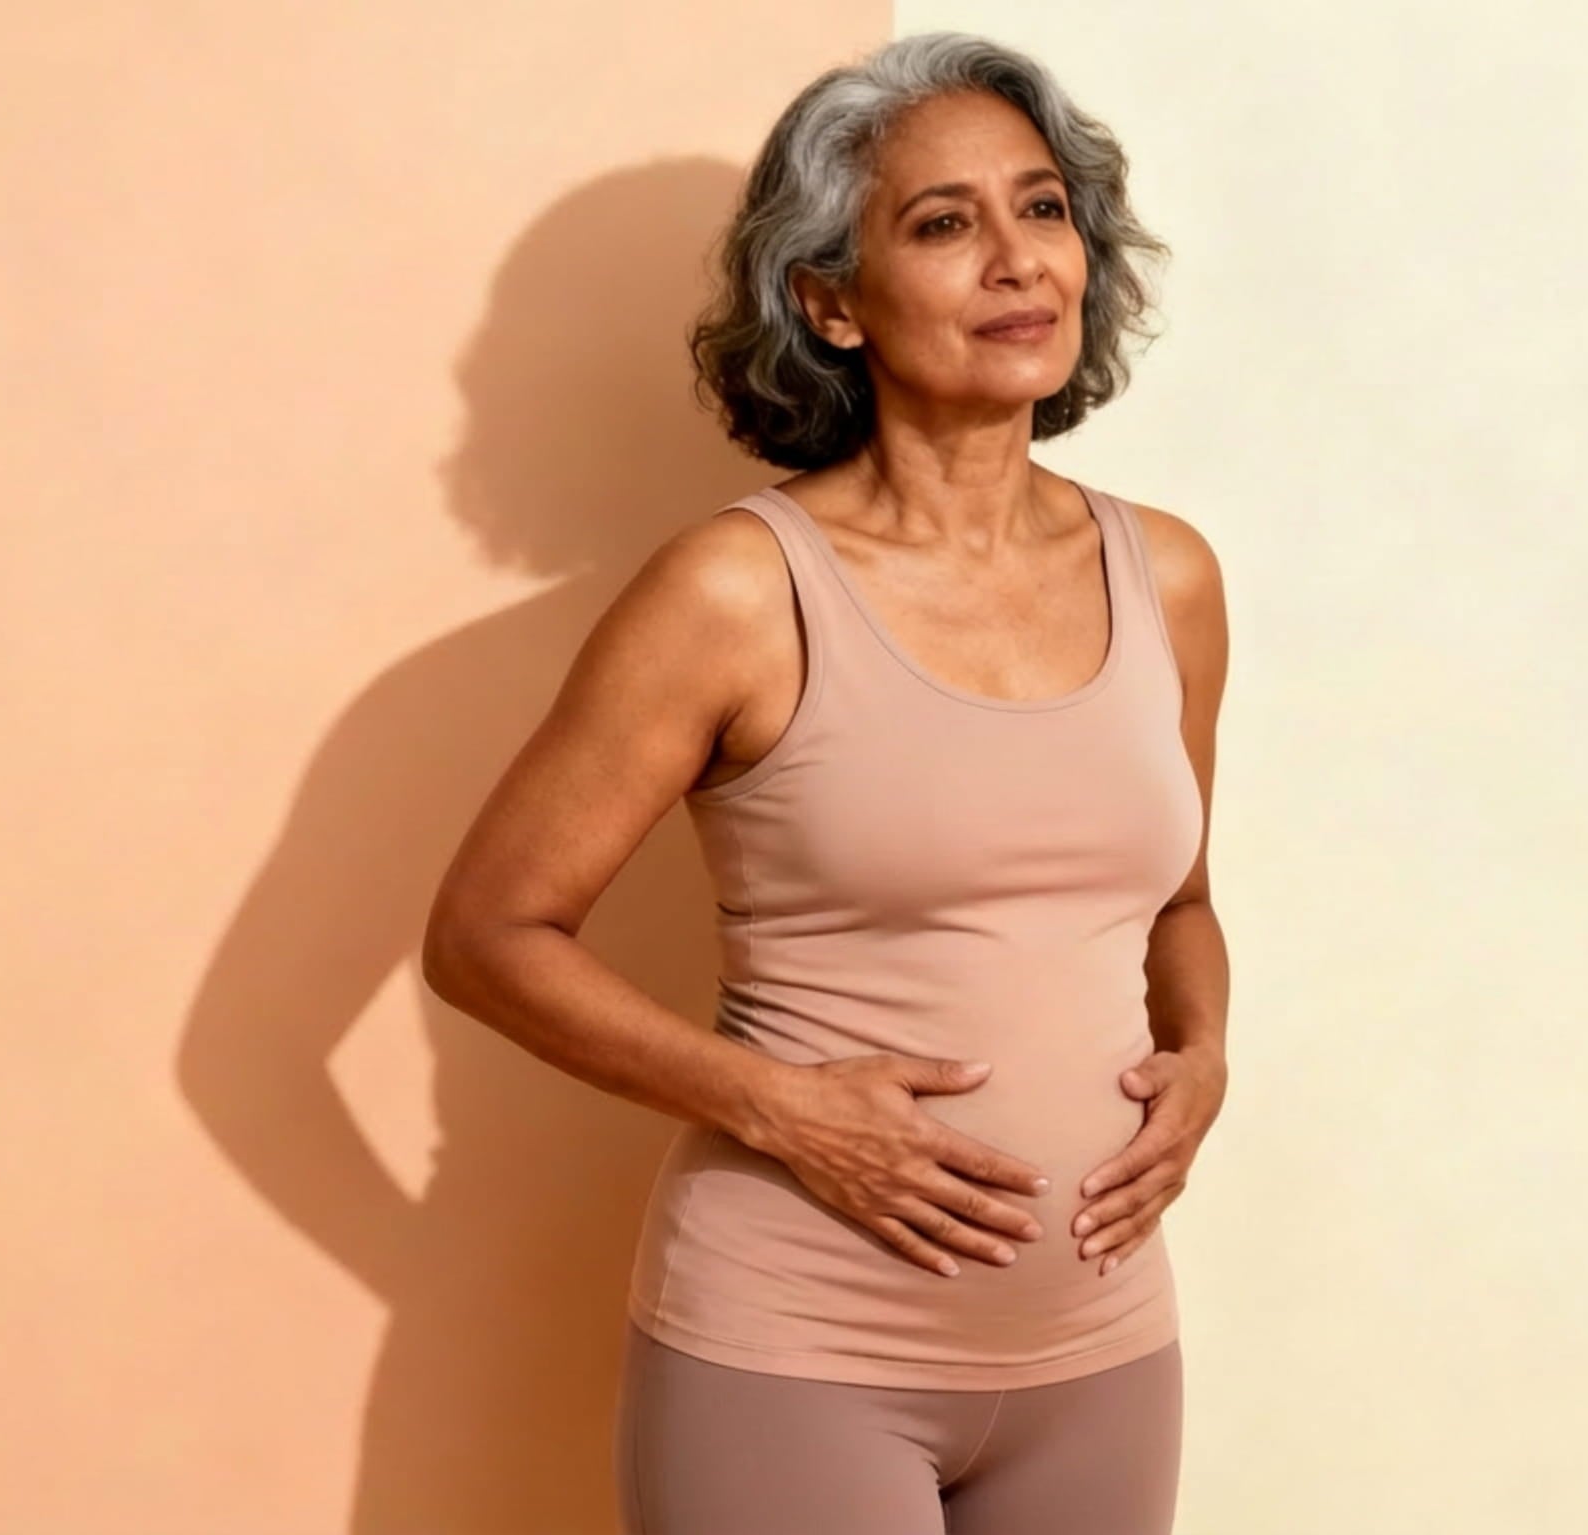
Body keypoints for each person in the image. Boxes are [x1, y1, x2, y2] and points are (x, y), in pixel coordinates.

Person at [420, 30, 1231, 1534]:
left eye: (1042, 209)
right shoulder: (738, 591)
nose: (1015, 261)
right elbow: (487, 935)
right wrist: (783, 1110)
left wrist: (1204, 1059)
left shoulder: (1166, 575)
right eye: (943, 224)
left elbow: (1177, 896)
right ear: (829, 301)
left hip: (1104, 1352)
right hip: (797, 1355)